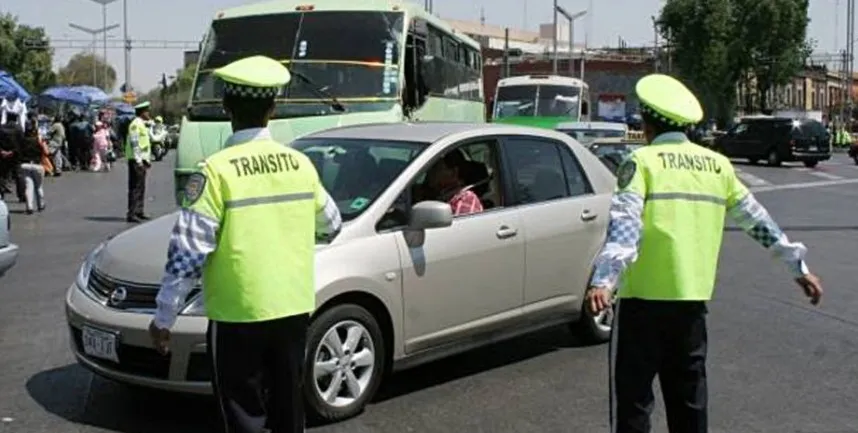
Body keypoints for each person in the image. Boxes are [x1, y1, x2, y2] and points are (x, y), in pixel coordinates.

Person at [585, 74, 824, 433]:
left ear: (647, 123)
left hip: (642, 305)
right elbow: (758, 222)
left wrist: (604, 280)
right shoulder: (717, 166)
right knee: (689, 403)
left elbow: (625, 226)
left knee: (634, 404)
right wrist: (798, 267)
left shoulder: (642, 162)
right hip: (691, 306)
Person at [148, 55, 342, 433]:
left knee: (243, 415)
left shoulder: (215, 171)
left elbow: (188, 252)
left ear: (226, 108)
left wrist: (164, 318)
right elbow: (331, 225)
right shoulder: (300, 164)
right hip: (292, 307)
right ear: (272, 108)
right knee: (289, 408)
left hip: (238, 313)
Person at [424, 150, 484, 216]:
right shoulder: (437, 194)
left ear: (453, 172)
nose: (429, 172)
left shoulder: (465, 199)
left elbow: (460, 225)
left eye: (436, 168)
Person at [125, 101, 152, 223]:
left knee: (141, 187)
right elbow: (135, 143)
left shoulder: (142, 124)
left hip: (142, 160)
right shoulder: (135, 124)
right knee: (135, 187)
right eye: (147, 111)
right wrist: (139, 160)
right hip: (136, 161)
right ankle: (132, 213)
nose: (148, 113)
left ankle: (139, 211)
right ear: (142, 113)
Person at [15, 118, 46, 214]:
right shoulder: (38, 140)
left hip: (25, 165)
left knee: (29, 187)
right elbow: (46, 152)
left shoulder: (22, 141)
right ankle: (41, 205)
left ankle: (30, 207)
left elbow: (17, 152)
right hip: (37, 165)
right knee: (39, 186)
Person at [0, 113, 24, 200]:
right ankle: (21, 195)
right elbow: (22, 143)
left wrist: (2, 151)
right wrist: (12, 152)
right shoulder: (19, 128)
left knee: (2, 175)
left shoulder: (1, 128)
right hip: (15, 155)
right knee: (19, 175)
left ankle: (1, 194)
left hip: (2, 156)